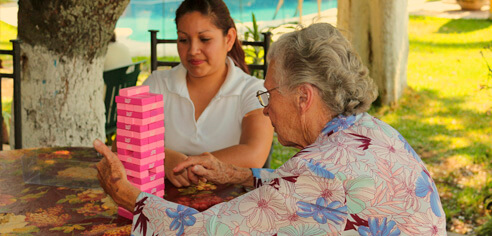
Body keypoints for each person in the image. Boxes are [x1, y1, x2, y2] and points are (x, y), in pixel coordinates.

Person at [95, 23, 447, 235]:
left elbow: (207, 230)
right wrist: (239, 174)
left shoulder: (315, 173)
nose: (265, 108)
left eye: (270, 93)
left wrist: (127, 195)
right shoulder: (372, 132)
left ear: (303, 97)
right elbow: (312, 192)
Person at [122, 0, 273, 187]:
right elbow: (122, 144)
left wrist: (182, 163)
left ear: (229, 39)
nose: (193, 50)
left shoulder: (252, 91)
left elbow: (253, 154)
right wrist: (164, 157)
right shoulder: (158, 84)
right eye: (183, 40)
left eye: (204, 39)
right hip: (162, 203)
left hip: (232, 207)